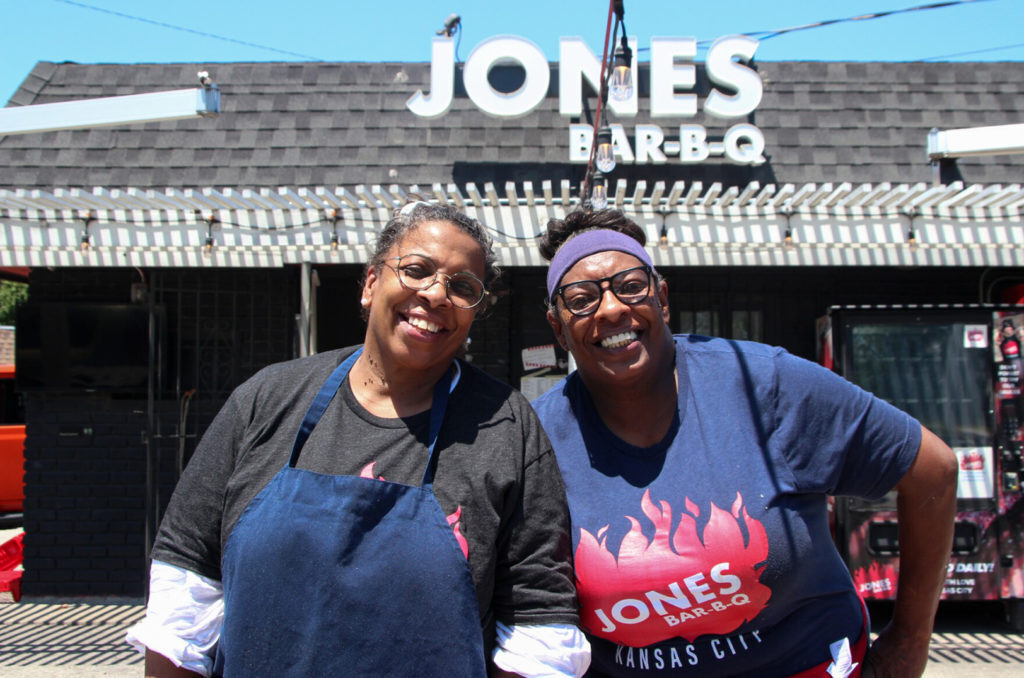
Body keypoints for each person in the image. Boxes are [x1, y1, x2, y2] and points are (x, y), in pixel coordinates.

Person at [127, 202, 590, 677]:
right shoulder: (266, 400)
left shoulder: (507, 427)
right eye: (416, 270)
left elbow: (537, 624)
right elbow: (185, 590)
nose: (436, 294)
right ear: (371, 283)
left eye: (463, 287)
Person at [530, 208, 958, 678]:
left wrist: (908, 644)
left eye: (631, 286)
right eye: (582, 299)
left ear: (663, 300)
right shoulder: (538, 438)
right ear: (558, 327)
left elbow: (932, 471)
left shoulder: (765, 385)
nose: (612, 309)